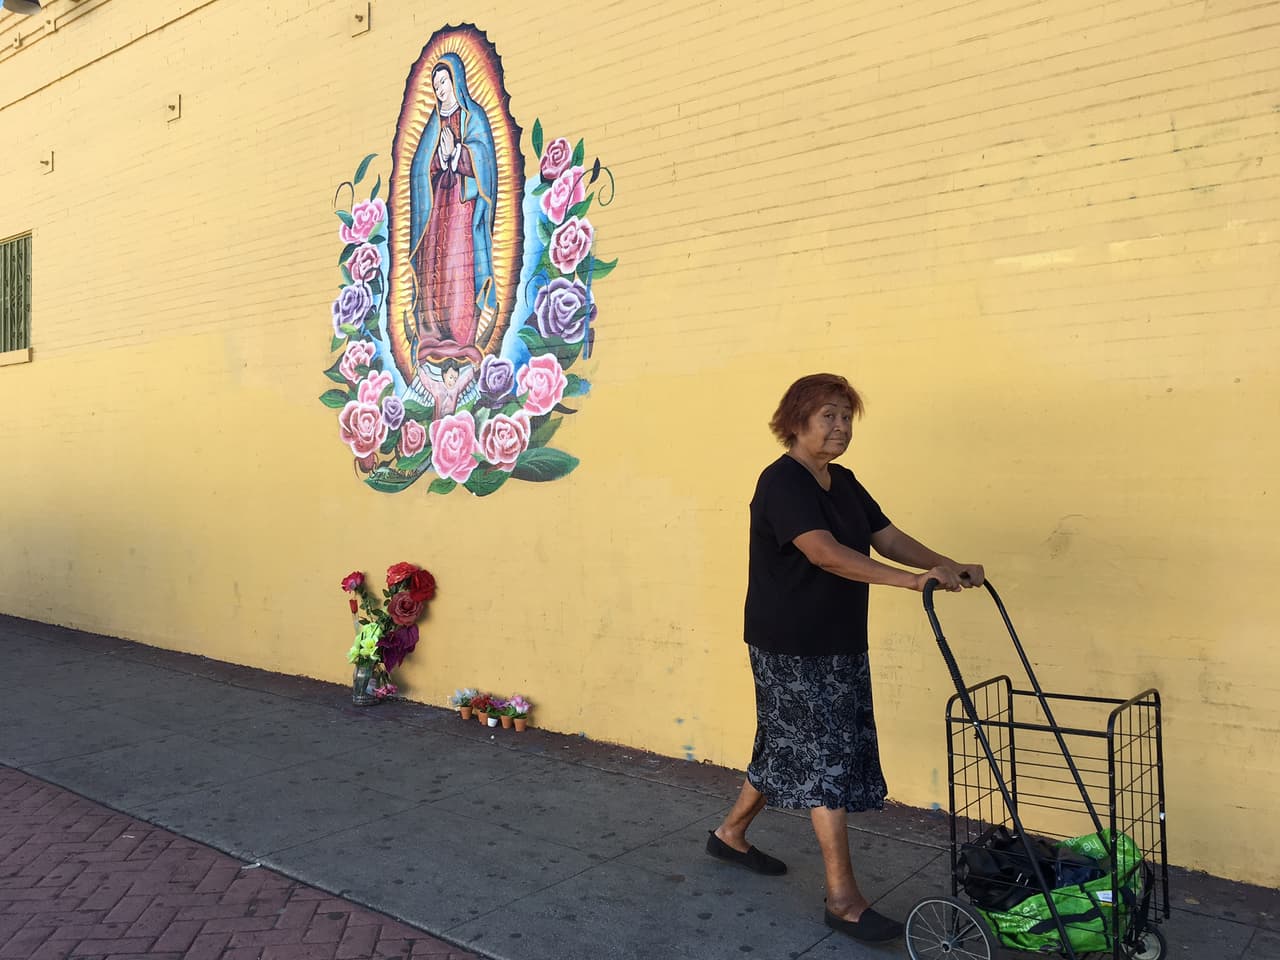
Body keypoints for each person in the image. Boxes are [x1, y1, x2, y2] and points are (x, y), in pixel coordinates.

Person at [705, 373, 984, 943]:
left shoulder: (844, 481)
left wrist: (945, 565)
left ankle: (730, 835)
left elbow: (885, 536)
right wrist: (910, 584)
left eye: (846, 416)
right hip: (791, 643)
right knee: (825, 756)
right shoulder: (782, 482)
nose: (840, 427)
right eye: (828, 415)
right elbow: (825, 554)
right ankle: (844, 901)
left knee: (790, 742)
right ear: (796, 421)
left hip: (837, 638)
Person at [408, 53, 499, 369]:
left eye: (444, 82)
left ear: (457, 82)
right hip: (436, 210)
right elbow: (419, 167)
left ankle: (461, 337)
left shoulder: (473, 117)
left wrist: (459, 153)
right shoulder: (433, 124)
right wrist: (438, 159)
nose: (440, 89)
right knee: (433, 268)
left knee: (457, 270)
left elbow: (485, 160)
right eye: (435, 85)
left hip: (462, 208)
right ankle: (432, 333)